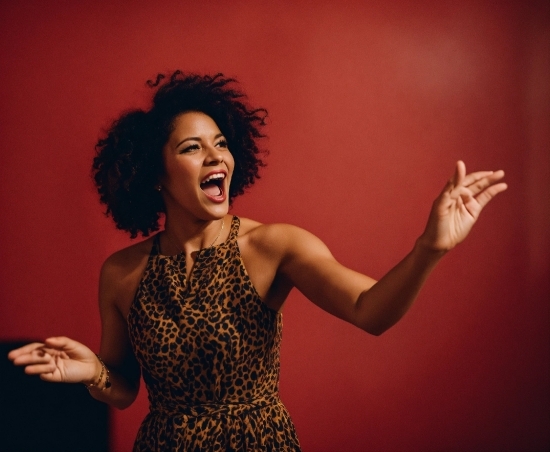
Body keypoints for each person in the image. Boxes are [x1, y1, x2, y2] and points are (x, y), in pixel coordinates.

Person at [8, 71, 507, 451]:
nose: (216, 158)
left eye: (221, 145)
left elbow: (369, 310)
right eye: (192, 148)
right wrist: (91, 371)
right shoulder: (120, 273)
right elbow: (122, 389)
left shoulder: (274, 246)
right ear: (154, 175)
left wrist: (428, 250)